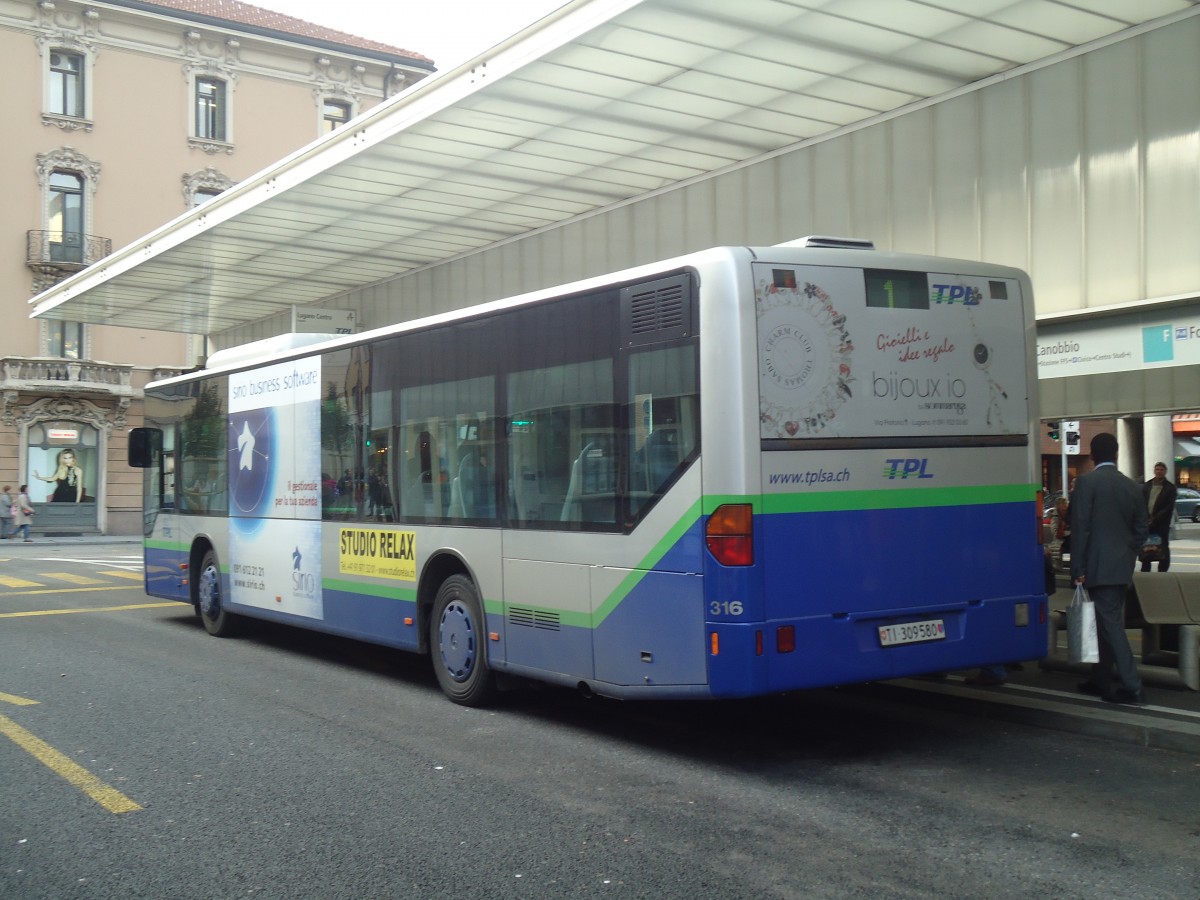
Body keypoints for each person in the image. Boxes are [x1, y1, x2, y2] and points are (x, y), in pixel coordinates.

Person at [1070, 432, 1148, 705]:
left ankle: (1131, 685)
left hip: (1096, 566)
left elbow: (1081, 527)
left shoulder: (1086, 483)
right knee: (1105, 622)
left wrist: (1077, 566)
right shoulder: (1132, 486)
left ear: (1092, 455)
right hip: (1120, 566)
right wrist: (1128, 553)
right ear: (1115, 453)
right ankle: (1100, 679)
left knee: (1111, 625)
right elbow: (1142, 529)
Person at [1141, 461, 1177, 572]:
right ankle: (1145, 569)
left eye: (1161, 470)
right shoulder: (1147, 486)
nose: (1159, 472)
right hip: (1147, 522)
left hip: (1161, 523)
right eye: (1157, 469)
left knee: (1163, 546)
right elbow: (1141, 502)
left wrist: (1155, 518)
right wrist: (1146, 517)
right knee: (1146, 547)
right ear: (1154, 471)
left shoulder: (1170, 488)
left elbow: (1168, 507)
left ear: (1165, 471)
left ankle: (1163, 569)